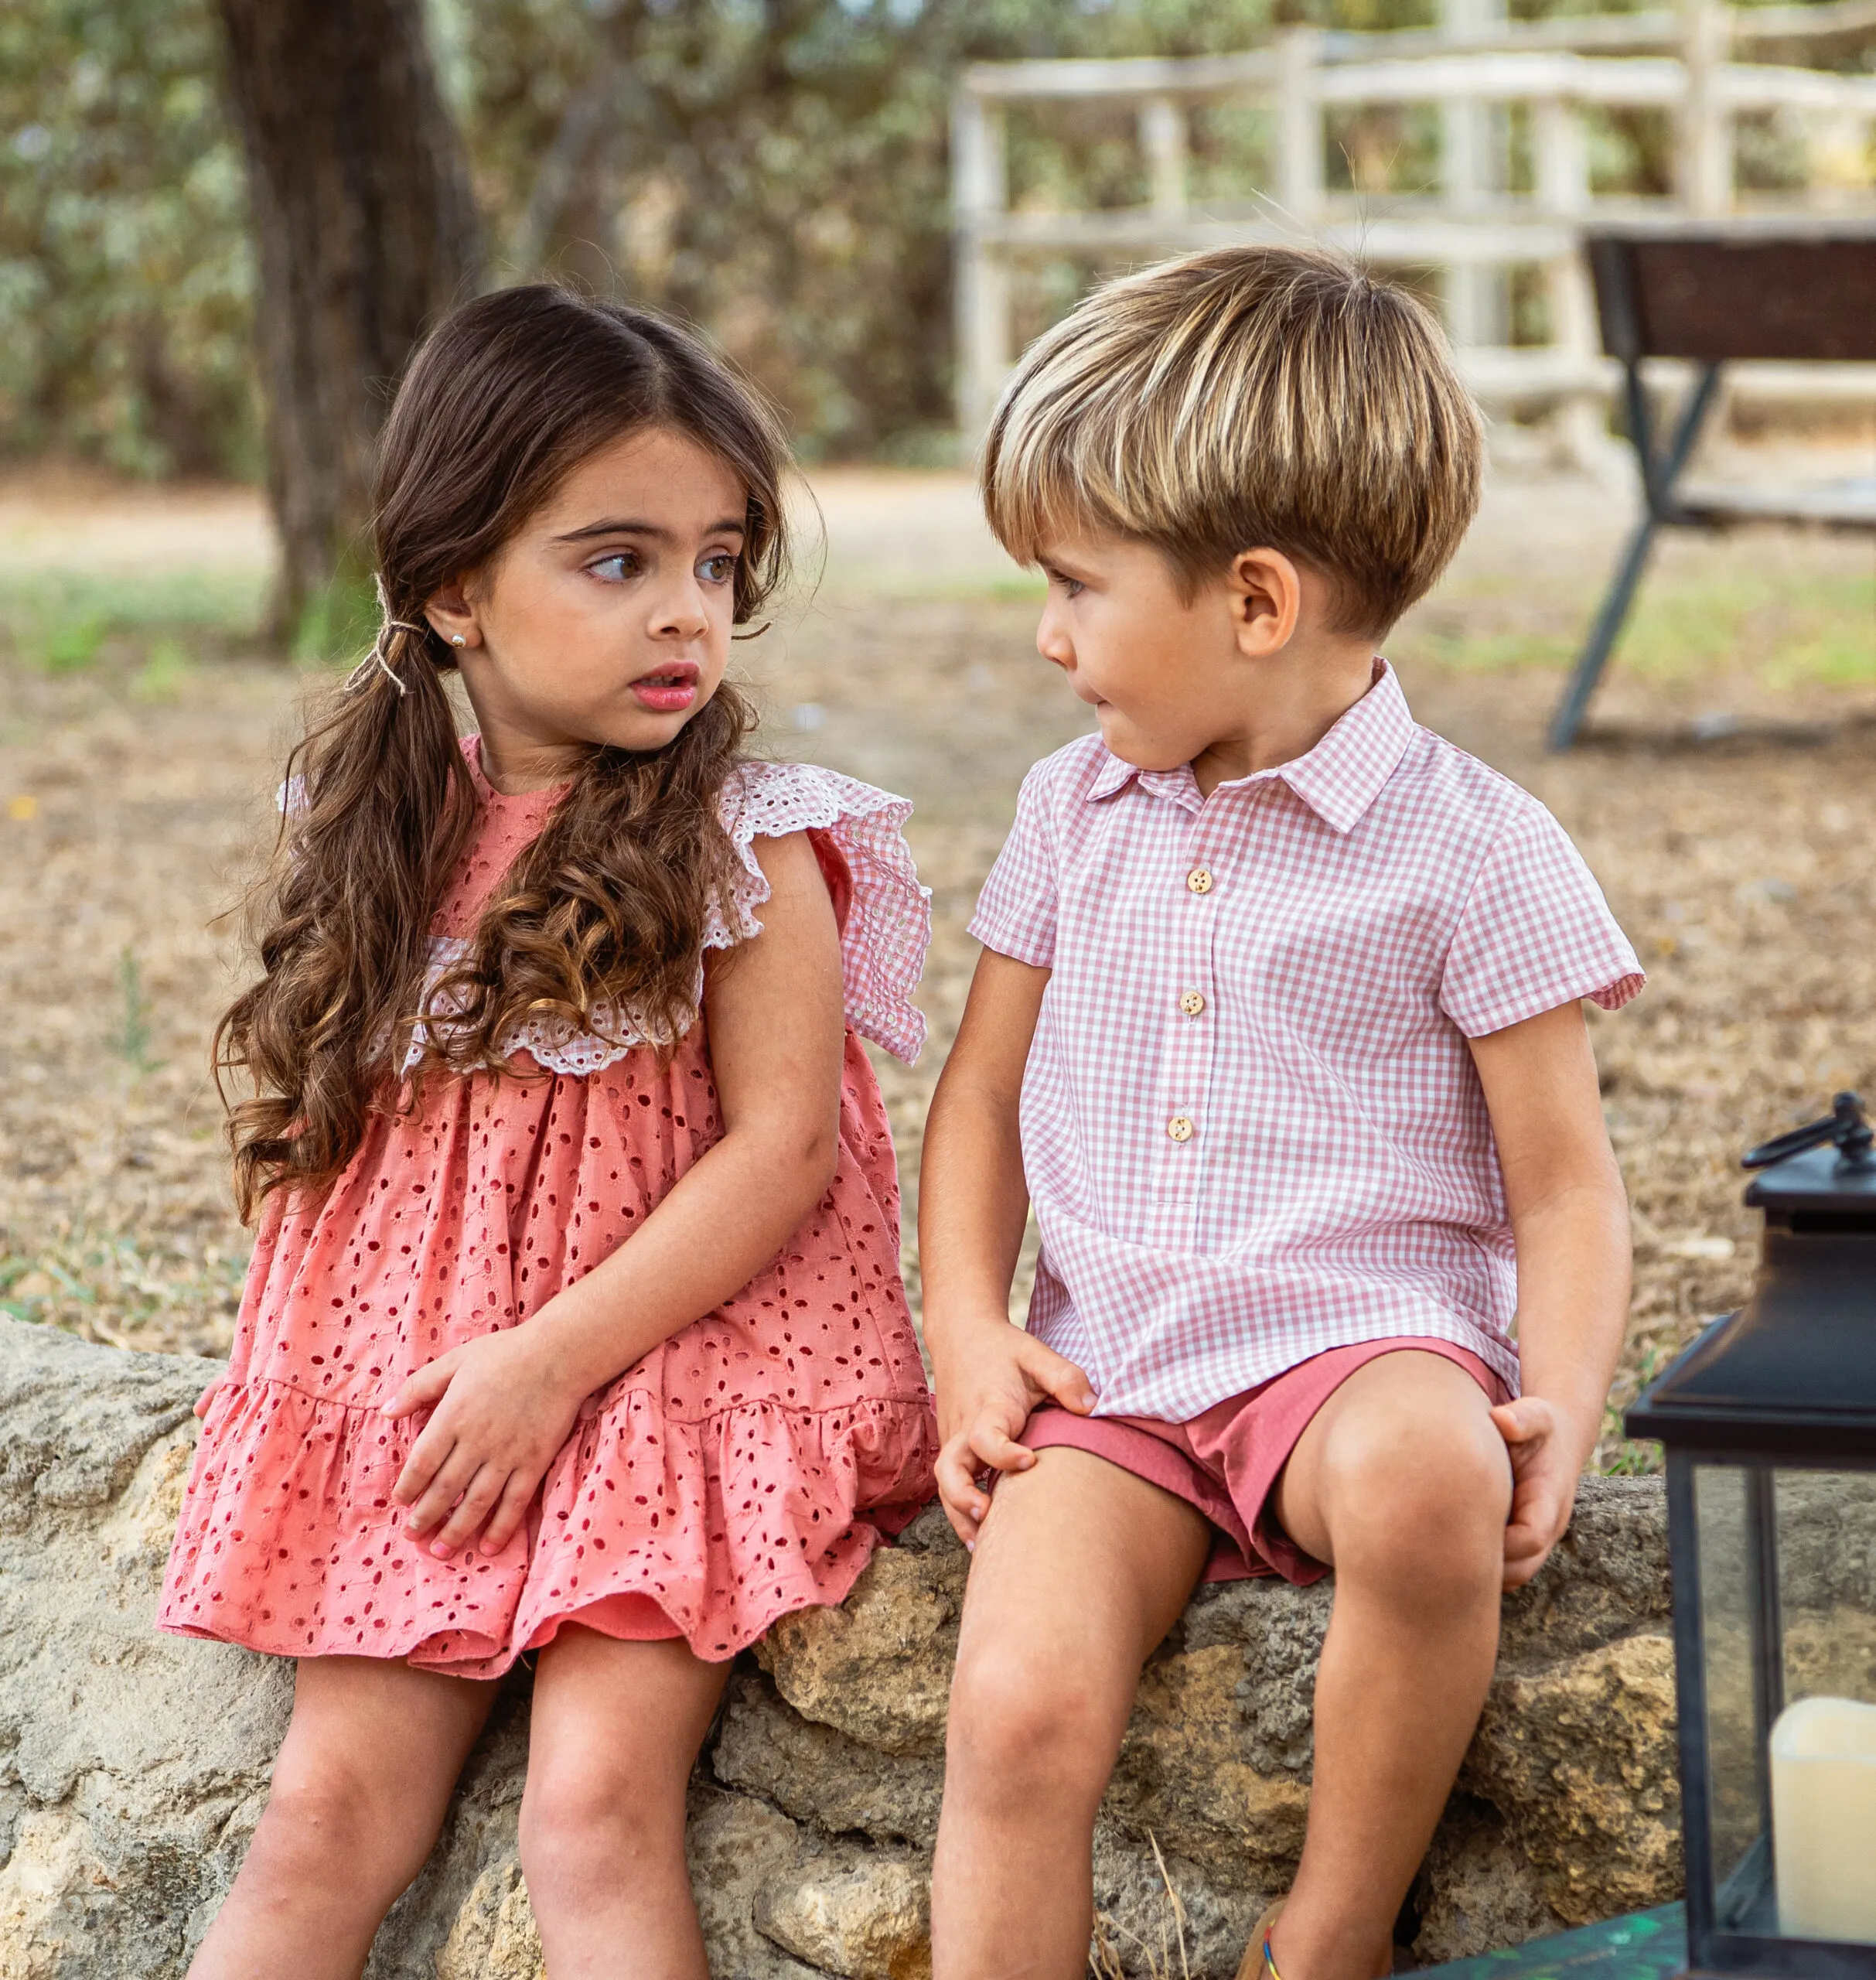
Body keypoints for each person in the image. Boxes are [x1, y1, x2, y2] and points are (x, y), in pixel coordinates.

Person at [161, 285, 937, 1980]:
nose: (687, 612)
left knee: (589, 1808)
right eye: (618, 560)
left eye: (717, 561)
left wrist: (553, 1357)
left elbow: (780, 1152)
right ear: (454, 589)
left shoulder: (750, 833)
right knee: (321, 1820)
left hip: (674, 1361)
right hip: (434, 1378)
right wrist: (448, 1359)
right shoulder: (383, 828)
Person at [920, 246, 1642, 1980]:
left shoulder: (1473, 846)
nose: (1048, 635)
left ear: (1255, 602)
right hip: (1116, 1377)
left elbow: (1564, 1188)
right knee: (1014, 1703)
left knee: (1422, 1478)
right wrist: (963, 1323)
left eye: (1078, 586)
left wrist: (1552, 1400)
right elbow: (983, 1096)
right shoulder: (1069, 807)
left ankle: (1328, 1929)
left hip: (1355, 1350)